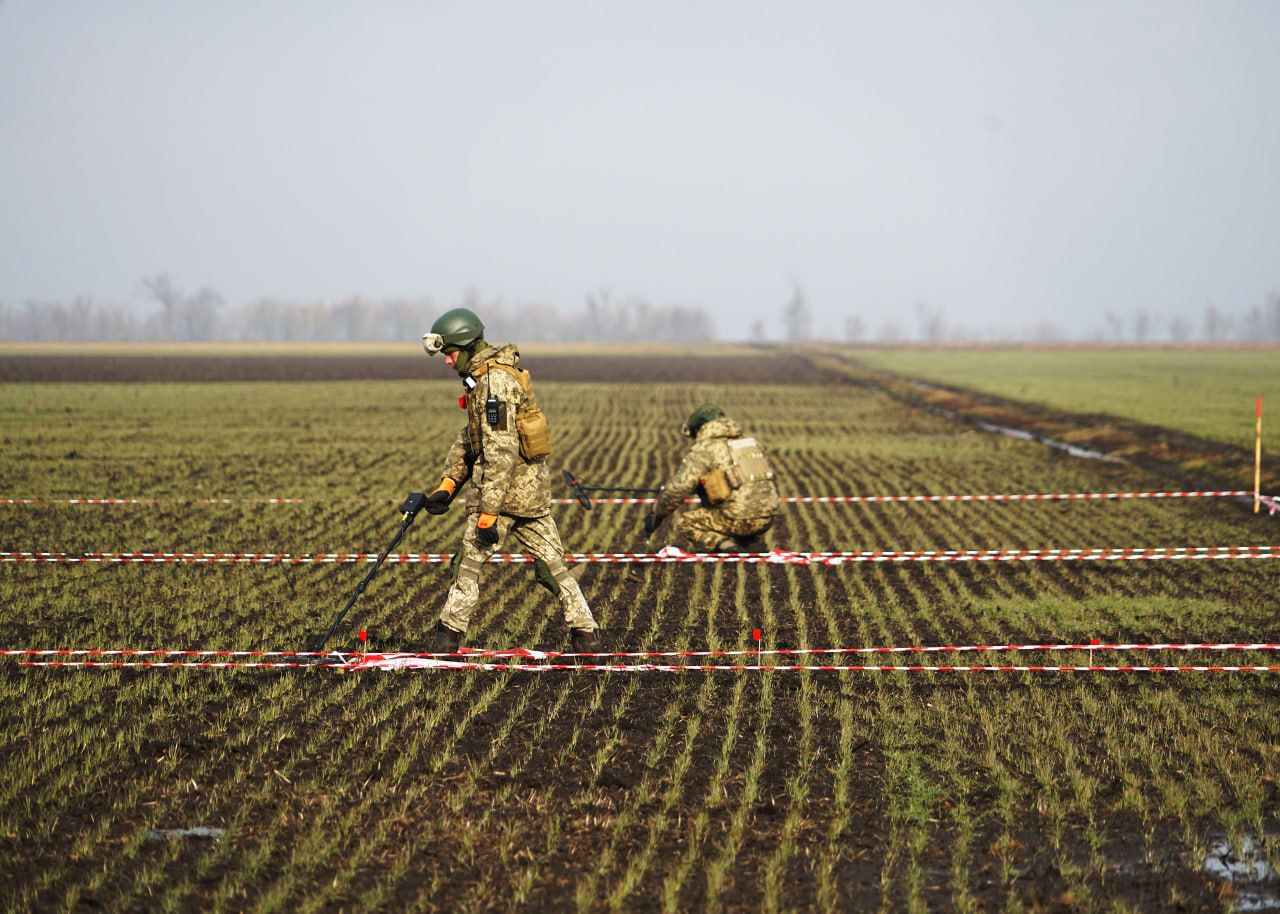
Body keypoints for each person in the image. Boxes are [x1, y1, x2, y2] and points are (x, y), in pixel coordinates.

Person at [419, 307, 602, 653]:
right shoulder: (485, 377)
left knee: (469, 565)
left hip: (503, 496)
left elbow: (499, 448)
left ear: (468, 347)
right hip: (529, 495)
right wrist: (447, 484)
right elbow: (472, 437)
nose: (446, 362)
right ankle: (586, 635)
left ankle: (447, 639)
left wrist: (489, 511)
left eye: (450, 354)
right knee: (554, 567)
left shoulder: (494, 382)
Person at [644, 404, 779, 552]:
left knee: (687, 522)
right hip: (768, 516)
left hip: (738, 518)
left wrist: (656, 515)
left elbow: (679, 488)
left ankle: (726, 546)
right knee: (724, 505)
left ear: (699, 428)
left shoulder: (706, 448)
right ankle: (748, 542)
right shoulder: (751, 443)